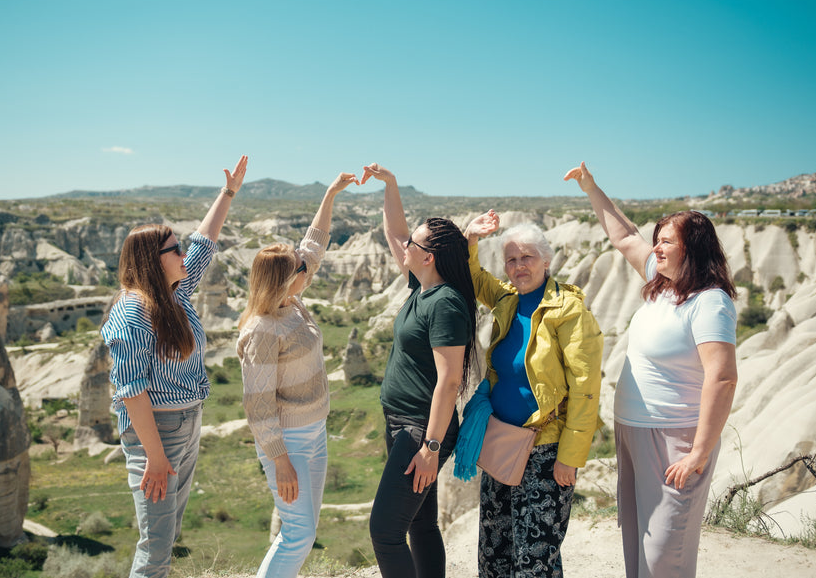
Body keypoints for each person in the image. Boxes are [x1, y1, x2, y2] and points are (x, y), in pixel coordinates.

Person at [564, 162, 738, 578]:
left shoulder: (709, 302)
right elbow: (625, 236)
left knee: (665, 554)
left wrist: (698, 451)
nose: (656, 248)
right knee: (638, 544)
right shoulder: (662, 284)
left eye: (666, 242)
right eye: (656, 241)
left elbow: (723, 377)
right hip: (633, 430)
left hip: (674, 437)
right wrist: (591, 187)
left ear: (692, 249)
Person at [101, 155, 248, 578]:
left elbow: (205, 242)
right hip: (155, 429)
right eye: (174, 249)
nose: (184, 253)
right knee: (155, 546)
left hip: (187, 420)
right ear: (153, 259)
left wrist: (228, 193)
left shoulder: (175, 293)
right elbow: (131, 390)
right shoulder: (133, 313)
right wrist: (155, 455)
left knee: (168, 533)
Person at [461, 211, 604, 578]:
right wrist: (471, 240)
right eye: (511, 259)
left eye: (527, 257)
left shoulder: (568, 311)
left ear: (546, 260)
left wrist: (569, 458)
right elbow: (475, 278)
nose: (519, 266)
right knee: (495, 552)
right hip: (503, 443)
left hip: (545, 451)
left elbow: (586, 391)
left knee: (535, 559)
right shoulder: (508, 300)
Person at [236, 172, 359, 578]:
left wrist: (329, 195)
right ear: (286, 280)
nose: (308, 268)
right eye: (300, 268)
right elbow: (258, 406)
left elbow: (313, 247)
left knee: (302, 530)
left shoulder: (290, 304)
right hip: (288, 442)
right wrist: (280, 461)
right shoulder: (263, 330)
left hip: (314, 431)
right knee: (299, 534)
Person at [360, 163, 478, 578]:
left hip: (420, 430)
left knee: (385, 531)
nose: (403, 245)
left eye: (414, 243)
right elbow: (396, 232)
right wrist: (390, 186)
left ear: (427, 256)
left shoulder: (444, 302)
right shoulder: (421, 286)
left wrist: (430, 447)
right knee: (420, 523)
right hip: (402, 422)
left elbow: (449, 381)